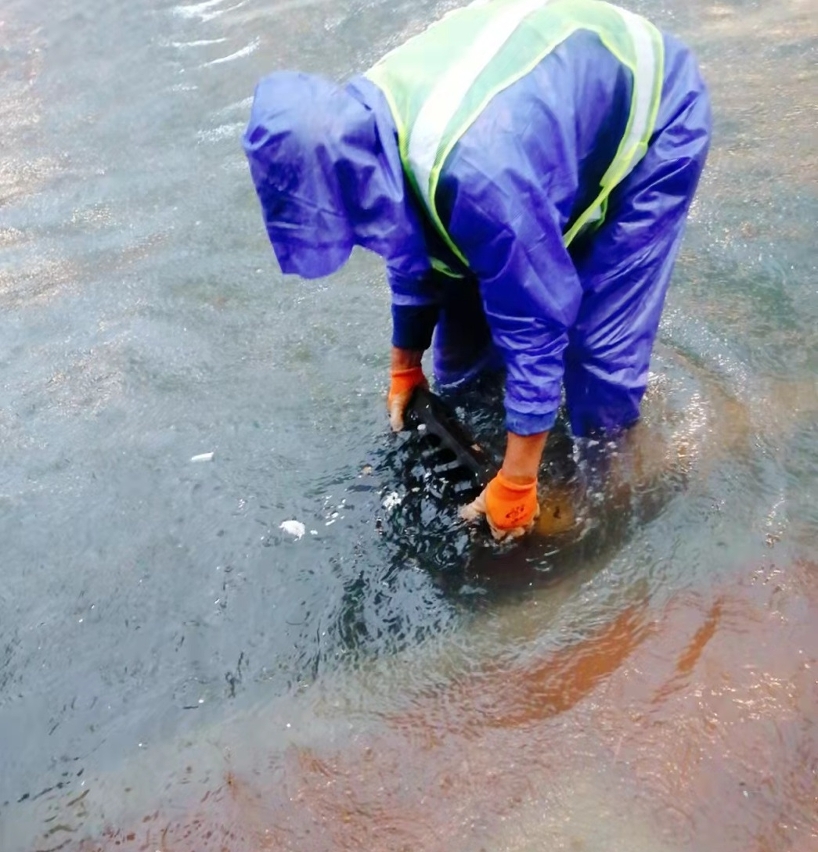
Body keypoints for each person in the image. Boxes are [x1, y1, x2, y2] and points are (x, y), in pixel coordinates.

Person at [242, 0, 711, 540]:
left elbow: (536, 323)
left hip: (652, 109)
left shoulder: (480, 181)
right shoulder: (357, 129)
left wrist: (518, 481)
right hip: (527, 119)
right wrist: (405, 365)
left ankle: (607, 490)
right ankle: (518, 438)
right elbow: (410, 242)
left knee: (596, 350)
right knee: (463, 357)